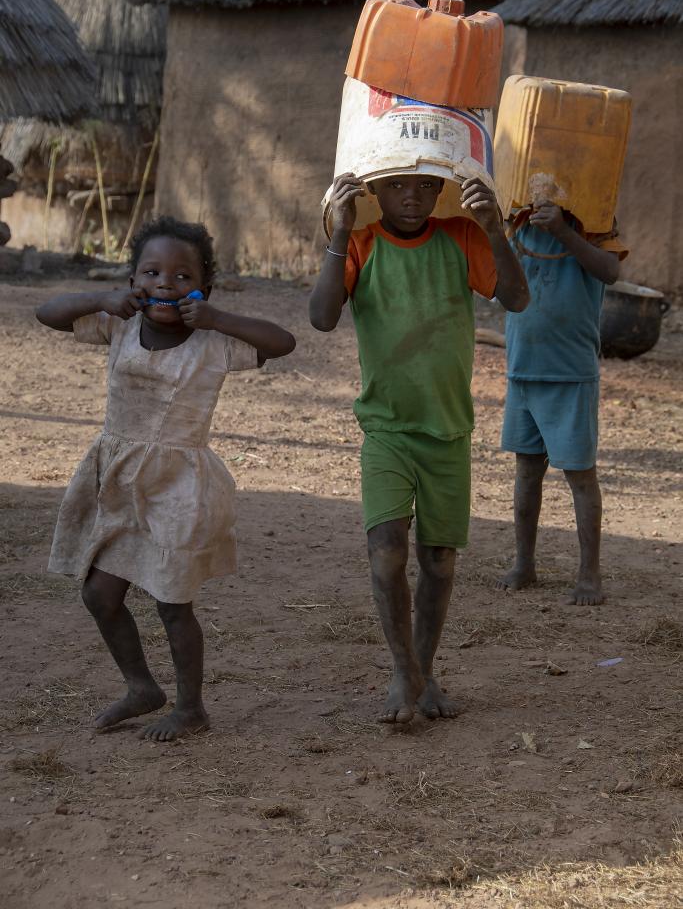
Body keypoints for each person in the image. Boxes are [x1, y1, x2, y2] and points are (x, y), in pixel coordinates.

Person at [36, 216, 295, 740]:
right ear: (133, 281)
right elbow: (47, 313)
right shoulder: (119, 325)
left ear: (204, 287)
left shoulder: (214, 342)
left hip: (180, 489)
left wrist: (217, 317)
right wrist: (103, 297)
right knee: (100, 596)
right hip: (118, 481)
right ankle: (140, 687)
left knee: (173, 604)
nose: (165, 284)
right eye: (151, 272)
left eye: (182, 276)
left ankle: (190, 707)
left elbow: (283, 341)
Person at [309, 172, 529, 723]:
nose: (412, 196)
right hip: (386, 430)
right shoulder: (361, 244)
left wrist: (495, 230)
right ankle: (403, 670)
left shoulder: (461, 235)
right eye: (398, 185)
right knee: (386, 553)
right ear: (374, 193)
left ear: (441, 193)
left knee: (439, 562)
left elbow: (518, 298)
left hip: (448, 432)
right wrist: (338, 232)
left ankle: (422, 671)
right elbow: (321, 316)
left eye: (427, 185)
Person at [496, 201, 628, 605]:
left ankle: (590, 575)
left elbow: (610, 270)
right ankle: (525, 563)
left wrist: (565, 232)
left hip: (571, 374)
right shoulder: (516, 221)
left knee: (580, 476)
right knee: (526, 472)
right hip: (524, 369)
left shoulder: (596, 218)